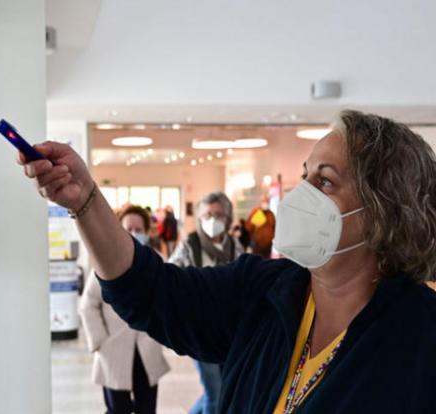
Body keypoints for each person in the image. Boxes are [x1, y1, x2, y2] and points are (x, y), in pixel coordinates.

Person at [22, 110, 436, 413]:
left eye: (325, 181)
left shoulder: (420, 338)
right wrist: (85, 200)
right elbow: (149, 291)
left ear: (382, 211)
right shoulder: (263, 291)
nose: (301, 195)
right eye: (305, 175)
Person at [79, 205, 170, 414]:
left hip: (147, 348)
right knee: (118, 409)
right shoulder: (104, 262)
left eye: (139, 230)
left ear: (147, 232)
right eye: (129, 229)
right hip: (114, 350)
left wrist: (164, 333)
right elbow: (88, 305)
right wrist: (100, 341)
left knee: (147, 408)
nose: (134, 234)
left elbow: (169, 299)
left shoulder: (157, 262)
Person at [168, 192, 243, 414]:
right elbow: (170, 277)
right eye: (208, 214)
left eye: (219, 215)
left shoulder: (235, 246)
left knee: (223, 388)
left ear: (228, 219)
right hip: (199, 328)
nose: (213, 220)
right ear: (200, 217)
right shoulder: (190, 245)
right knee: (215, 392)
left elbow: (247, 280)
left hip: (230, 330)